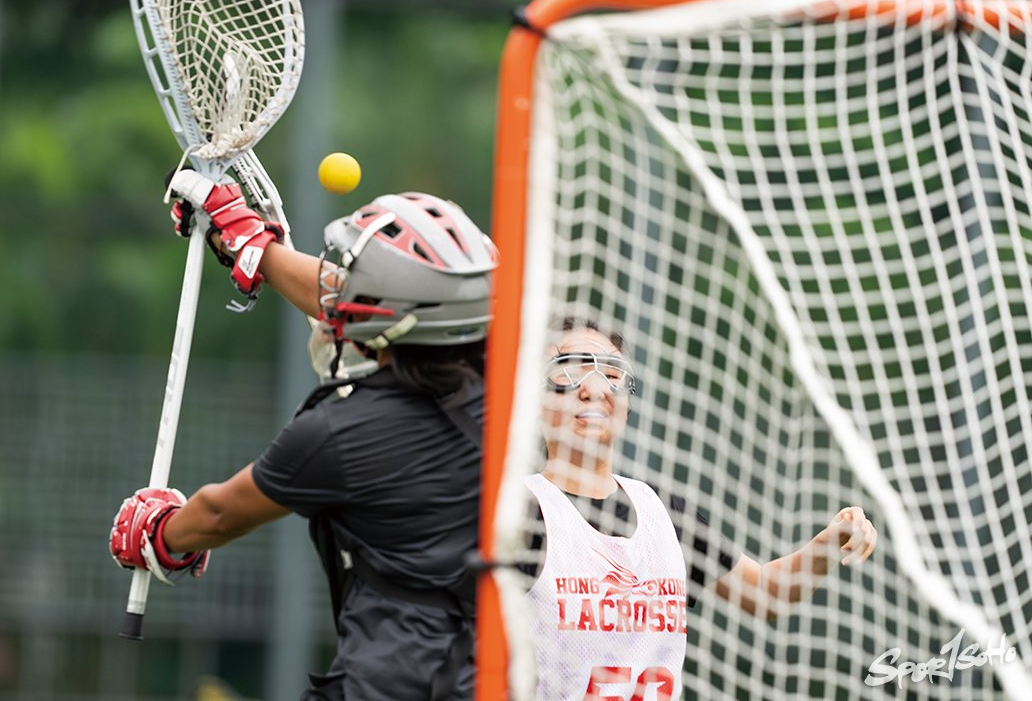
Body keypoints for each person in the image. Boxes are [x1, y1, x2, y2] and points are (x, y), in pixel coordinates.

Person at [109, 171, 496, 701]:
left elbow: (221, 513)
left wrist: (162, 534)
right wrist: (257, 249)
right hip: (492, 679)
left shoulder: (342, 433)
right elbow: (385, 307)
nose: (339, 284)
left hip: (385, 684)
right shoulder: (507, 398)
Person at [522, 318, 877, 700]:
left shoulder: (663, 513)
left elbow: (768, 593)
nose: (594, 388)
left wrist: (827, 543)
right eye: (570, 372)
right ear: (535, 401)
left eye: (611, 373)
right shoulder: (521, 510)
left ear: (626, 406)